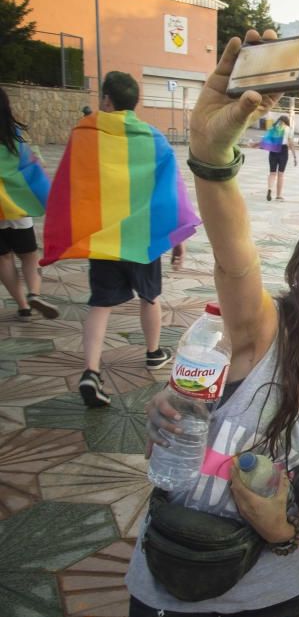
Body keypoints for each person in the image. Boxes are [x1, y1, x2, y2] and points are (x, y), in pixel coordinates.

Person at [129, 29, 299, 617]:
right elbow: (234, 251)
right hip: (176, 555)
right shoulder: (260, 327)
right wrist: (213, 163)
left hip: (269, 571)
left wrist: (284, 531)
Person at [61, 72, 175, 407]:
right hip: (142, 238)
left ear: (108, 100)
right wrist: (174, 233)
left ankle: (91, 371)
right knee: (150, 297)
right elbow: (168, 190)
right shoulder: (153, 137)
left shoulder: (85, 135)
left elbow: (73, 183)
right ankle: (154, 352)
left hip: (105, 237)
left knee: (100, 303)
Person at [0, 87, 60, 322]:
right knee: (29, 255)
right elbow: (34, 165)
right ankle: (34, 292)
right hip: (17, 206)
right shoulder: (14, 136)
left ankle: (23, 306)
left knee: (3, 259)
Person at [259, 114, 297, 202]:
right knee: (281, 174)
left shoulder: (273, 128)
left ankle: (269, 189)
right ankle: (278, 195)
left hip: (273, 151)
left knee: (272, 173)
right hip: (283, 150)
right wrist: (294, 156)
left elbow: (267, 140)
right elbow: (291, 143)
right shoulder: (288, 129)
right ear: (287, 122)